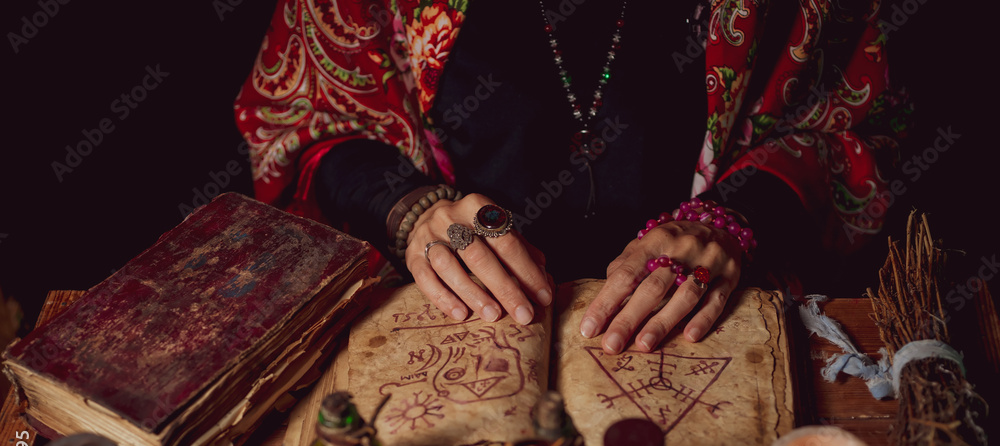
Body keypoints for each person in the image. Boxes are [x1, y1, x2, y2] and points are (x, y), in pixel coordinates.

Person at [234, 0, 907, 355]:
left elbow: (854, 127)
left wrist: (733, 219)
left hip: (700, 327)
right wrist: (413, 211)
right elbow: (308, 123)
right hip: (461, 330)